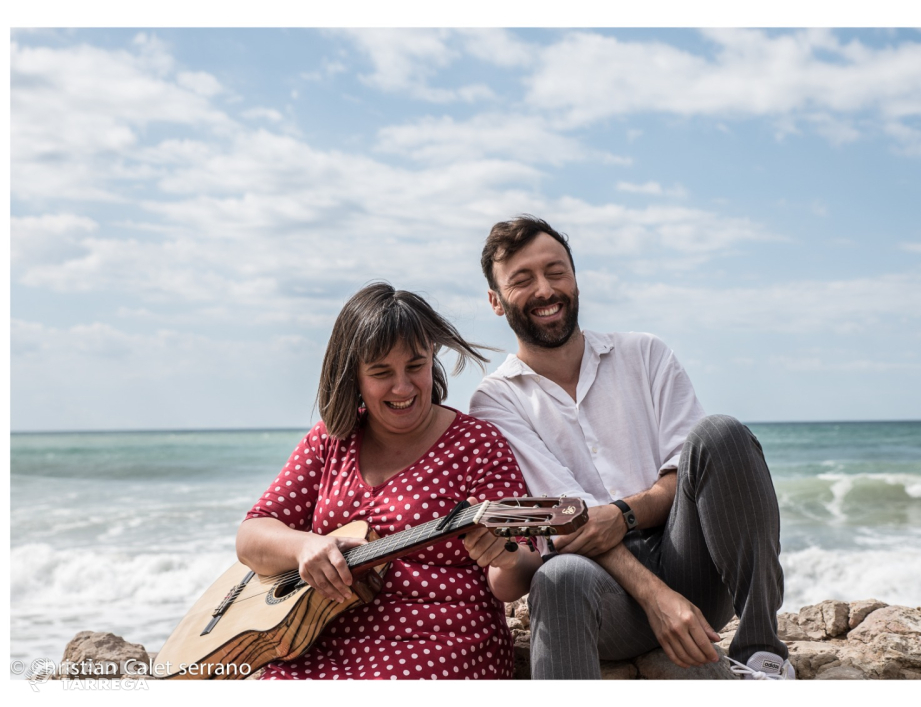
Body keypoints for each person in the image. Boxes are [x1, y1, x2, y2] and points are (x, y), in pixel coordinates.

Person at [469, 216, 794, 680]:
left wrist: (621, 514)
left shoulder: (646, 354)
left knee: (721, 433)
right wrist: (658, 599)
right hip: (599, 594)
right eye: (522, 280)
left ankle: (764, 654)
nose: (545, 289)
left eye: (556, 271)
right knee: (557, 576)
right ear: (496, 302)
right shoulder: (495, 399)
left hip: (690, 565)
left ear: (575, 278)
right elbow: (568, 524)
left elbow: (683, 474)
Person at [236, 282, 542, 680]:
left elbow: (515, 578)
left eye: (415, 366)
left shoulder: (478, 445)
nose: (403, 386)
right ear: (354, 378)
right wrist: (305, 546)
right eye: (381, 373)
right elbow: (251, 536)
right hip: (317, 644)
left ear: (432, 358)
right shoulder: (331, 440)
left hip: (438, 649)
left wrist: (504, 557)